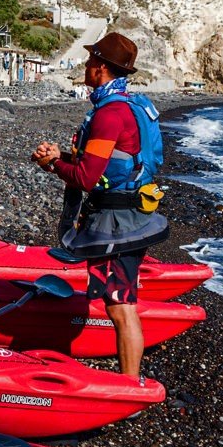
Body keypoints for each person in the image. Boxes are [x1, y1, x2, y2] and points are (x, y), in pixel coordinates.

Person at [29, 32, 162, 382]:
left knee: (120, 306)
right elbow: (106, 162)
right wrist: (63, 156)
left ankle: (130, 386)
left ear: (100, 68)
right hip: (136, 212)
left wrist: (51, 166)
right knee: (123, 300)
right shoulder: (128, 105)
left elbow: (87, 178)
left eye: (89, 62)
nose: (86, 67)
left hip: (118, 221)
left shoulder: (110, 114)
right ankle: (130, 382)